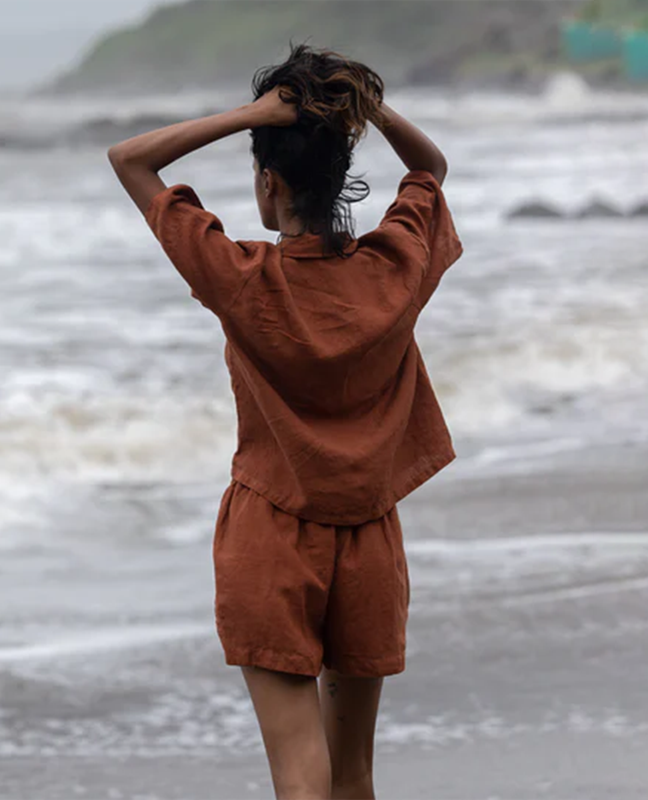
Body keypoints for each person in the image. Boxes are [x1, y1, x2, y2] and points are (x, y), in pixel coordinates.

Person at [109, 43, 463, 800]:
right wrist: (362, 107)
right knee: (353, 774)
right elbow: (429, 168)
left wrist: (256, 114)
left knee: (300, 778)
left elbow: (130, 160)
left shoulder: (243, 279)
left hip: (271, 533)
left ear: (269, 185)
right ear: (338, 179)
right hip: (369, 538)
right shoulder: (393, 269)